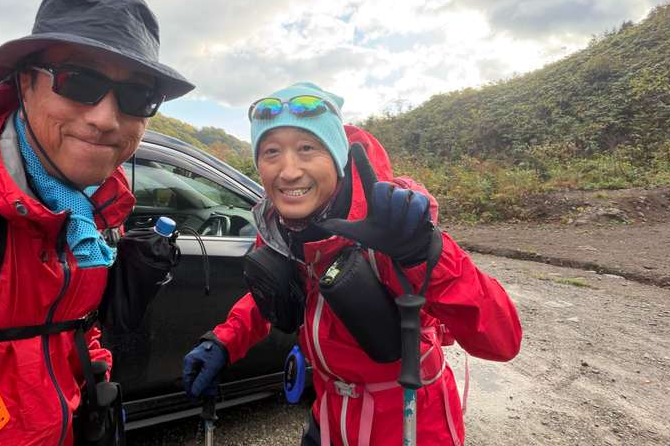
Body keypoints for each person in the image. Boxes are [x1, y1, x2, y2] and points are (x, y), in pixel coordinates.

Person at [183, 82, 522, 445]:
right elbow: (281, 292)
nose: (288, 171)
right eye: (271, 151)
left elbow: (502, 341)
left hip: (408, 421)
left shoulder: (390, 224)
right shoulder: (282, 228)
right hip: (329, 416)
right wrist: (224, 341)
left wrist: (423, 253)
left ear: (337, 156)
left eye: (307, 148)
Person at [0, 0, 194, 445]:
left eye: (137, 96)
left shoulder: (91, 212)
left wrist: (95, 378)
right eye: (79, 81)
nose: (105, 118)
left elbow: (74, 325)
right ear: (26, 82)